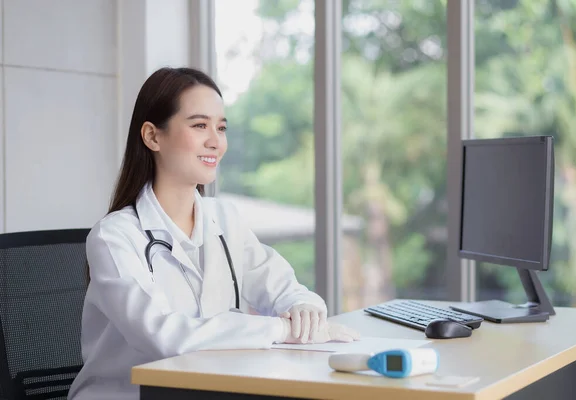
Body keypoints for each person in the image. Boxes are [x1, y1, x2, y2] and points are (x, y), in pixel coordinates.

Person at [67, 67, 360, 400]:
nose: (215, 141)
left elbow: (283, 286)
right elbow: (164, 336)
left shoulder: (224, 218)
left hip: (206, 389)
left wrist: (304, 308)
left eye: (221, 127)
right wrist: (281, 329)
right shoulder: (115, 237)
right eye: (199, 125)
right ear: (152, 136)